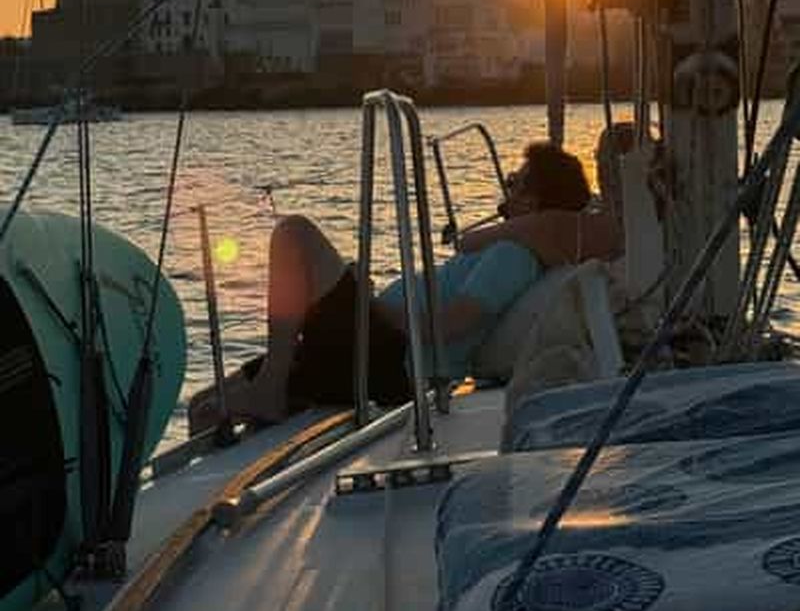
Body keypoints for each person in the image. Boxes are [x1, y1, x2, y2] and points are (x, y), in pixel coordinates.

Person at [187, 141, 622, 434]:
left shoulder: (513, 256)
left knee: (294, 234)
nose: (506, 185)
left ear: (532, 199)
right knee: (204, 405)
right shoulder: (506, 246)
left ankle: (271, 391)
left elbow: (450, 327)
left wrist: (369, 305)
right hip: (374, 348)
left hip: (392, 360)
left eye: (515, 180)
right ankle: (275, 387)